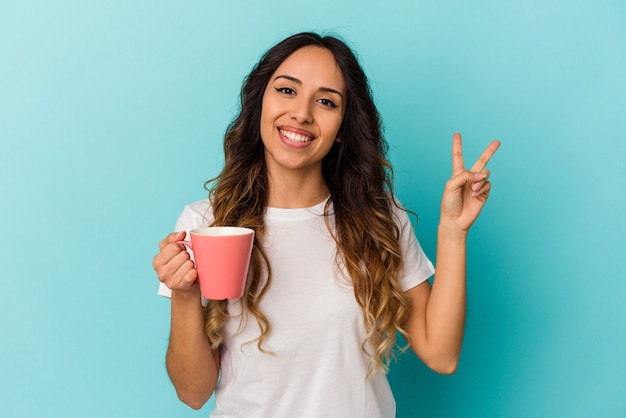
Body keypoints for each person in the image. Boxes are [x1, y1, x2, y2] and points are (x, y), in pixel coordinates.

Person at [153, 32, 500, 418]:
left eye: (325, 101)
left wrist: (453, 232)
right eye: (287, 90)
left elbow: (441, 353)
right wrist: (183, 294)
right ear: (259, 104)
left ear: (342, 128)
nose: (302, 113)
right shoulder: (206, 223)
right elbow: (192, 393)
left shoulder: (376, 218)